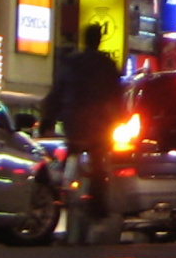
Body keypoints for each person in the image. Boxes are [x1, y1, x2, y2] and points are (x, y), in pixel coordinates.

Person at [40, 24, 125, 229]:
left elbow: (56, 94)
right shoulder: (107, 65)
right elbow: (117, 96)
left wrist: (47, 122)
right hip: (99, 123)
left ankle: (56, 191)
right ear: (99, 40)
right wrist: (120, 119)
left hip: (73, 121)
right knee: (98, 161)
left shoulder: (70, 63)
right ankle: (98, 204)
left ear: (83, 39)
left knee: (70, 152)